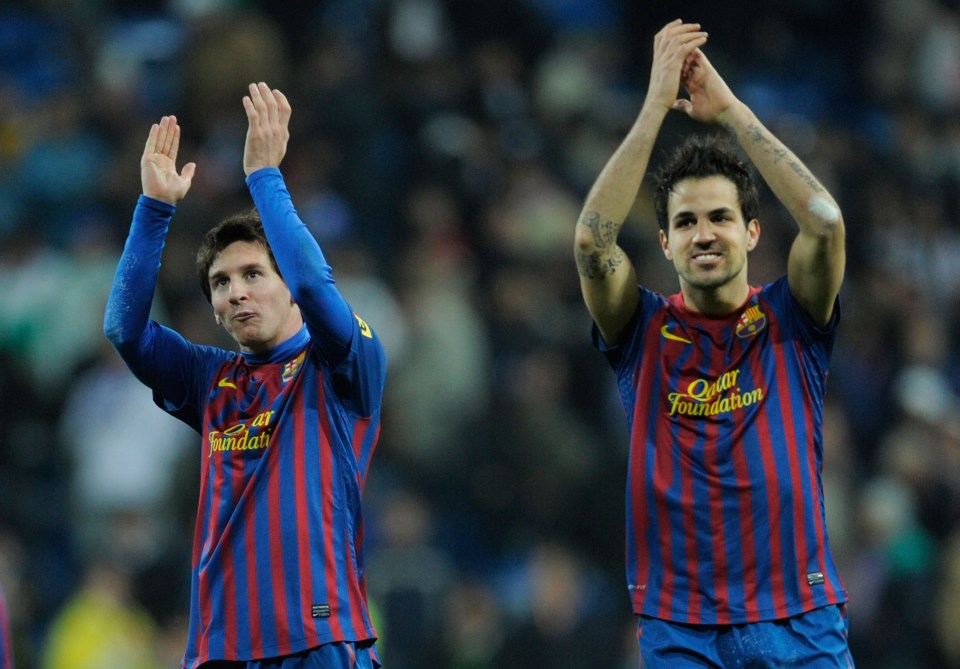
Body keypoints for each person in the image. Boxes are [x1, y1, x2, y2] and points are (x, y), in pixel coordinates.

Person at [573, 19, 853, 667]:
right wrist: (653, 106)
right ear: (665, 242)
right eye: (686, 221)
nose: (705, 233)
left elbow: (825, 220)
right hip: (683, 629)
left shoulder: (792, 315)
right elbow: (592, 241)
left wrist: (728, 112)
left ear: (753, 232)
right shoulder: (640, 331)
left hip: (800, 616)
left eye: (721, 217)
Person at [104, 82, 387, 668]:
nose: (237, 293)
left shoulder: (341, 366)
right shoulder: (211, 379)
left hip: (320, 639)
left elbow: (314, 284)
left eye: (254, 273)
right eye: (221, 283)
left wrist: (264, 176)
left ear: (286, 284)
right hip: (219, 646)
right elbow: (124, 331)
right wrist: (154, 208)